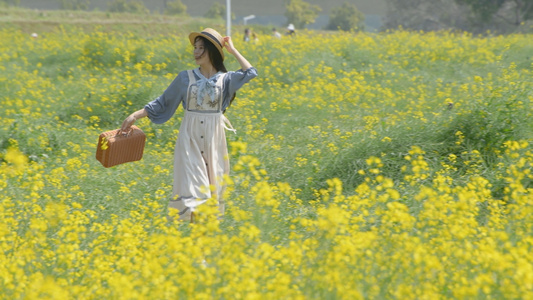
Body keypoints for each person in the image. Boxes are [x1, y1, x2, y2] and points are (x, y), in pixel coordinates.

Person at [121, 28, 257, 222]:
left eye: (202, 48)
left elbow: (250, 72)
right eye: (195, 47)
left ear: (213, 51)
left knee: (212, 191)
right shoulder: (185, 78)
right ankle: (196, 233)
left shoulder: (226, 80)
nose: (196, 52)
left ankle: (202, 238)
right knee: (195, 190)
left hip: (214, 141)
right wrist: (135, 116)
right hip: (189, 139)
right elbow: (162, 102)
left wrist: (232, 49)